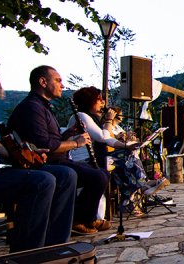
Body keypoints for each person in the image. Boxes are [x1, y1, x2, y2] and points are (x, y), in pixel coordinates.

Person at [0, 67, 77, 251]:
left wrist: (17, 153)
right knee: (42, 180)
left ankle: (56, 247)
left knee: (65, 175)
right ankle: (28, 254)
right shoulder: (31, 107)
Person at [8, 65, 109, 235]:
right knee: (97, 176)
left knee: (102, 174)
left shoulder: (43, 106)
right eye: (58, 80)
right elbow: (45, 146)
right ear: (43, 82)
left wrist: (69, 133)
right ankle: (78, 219)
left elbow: (50, 141)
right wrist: (76, 143)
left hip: (53, 159)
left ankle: (83, 217)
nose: (62, 85)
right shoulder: (32, 107)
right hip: (40, 164)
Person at [66, 87, 146, 216]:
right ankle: (139, 187)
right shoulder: (81, 116)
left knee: (126, 155)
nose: (102, 103)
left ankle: (131, 195)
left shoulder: (92, 118)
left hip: (96, 157)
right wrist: (109, 120)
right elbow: (103, 137)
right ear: (89, 101)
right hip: (82, 160)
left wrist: (126, 146)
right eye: (99, 100)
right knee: (123, 158)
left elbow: (108, 138)